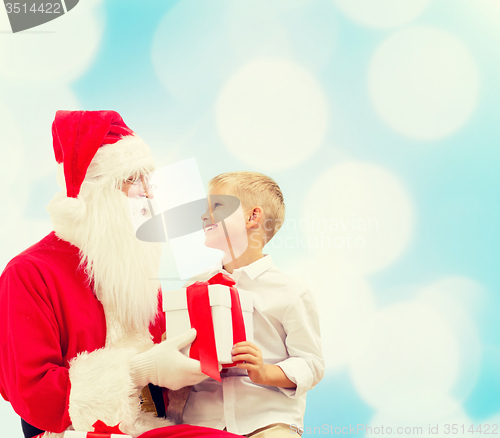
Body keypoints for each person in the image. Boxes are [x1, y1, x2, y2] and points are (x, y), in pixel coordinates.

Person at [0, 110, 241, 438]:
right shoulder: (28, 274)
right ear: (95, 191)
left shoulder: (134, 271)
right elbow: (32, 396)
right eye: (132, 179)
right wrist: (140, 370)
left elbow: (168, 363)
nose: (148, 193)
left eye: (148, 179)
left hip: (157, 423)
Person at [180, 171, 325, 437]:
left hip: (267, 421)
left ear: (252, 217)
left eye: (217, 206)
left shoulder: (291, 292)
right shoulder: (193, 288)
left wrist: (265, 372)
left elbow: (311, 363)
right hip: (203, 421)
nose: (204, 216)